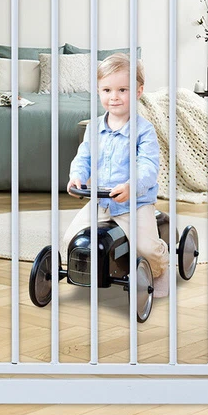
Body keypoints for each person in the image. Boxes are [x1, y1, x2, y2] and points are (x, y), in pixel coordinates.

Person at [62, 53, 170, 297]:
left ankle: (161, 268)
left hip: (135, 203)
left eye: (123, 90)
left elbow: (148, 167)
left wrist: (132, 186)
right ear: (98, 91)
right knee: (69, 239)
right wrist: (77, 176)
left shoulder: (144, 131)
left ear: (138, 91)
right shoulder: (94, 128)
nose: (114, 97)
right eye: (107, 90)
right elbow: (84, 157)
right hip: (101, 201)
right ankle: (90, 270)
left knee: (147, 247)